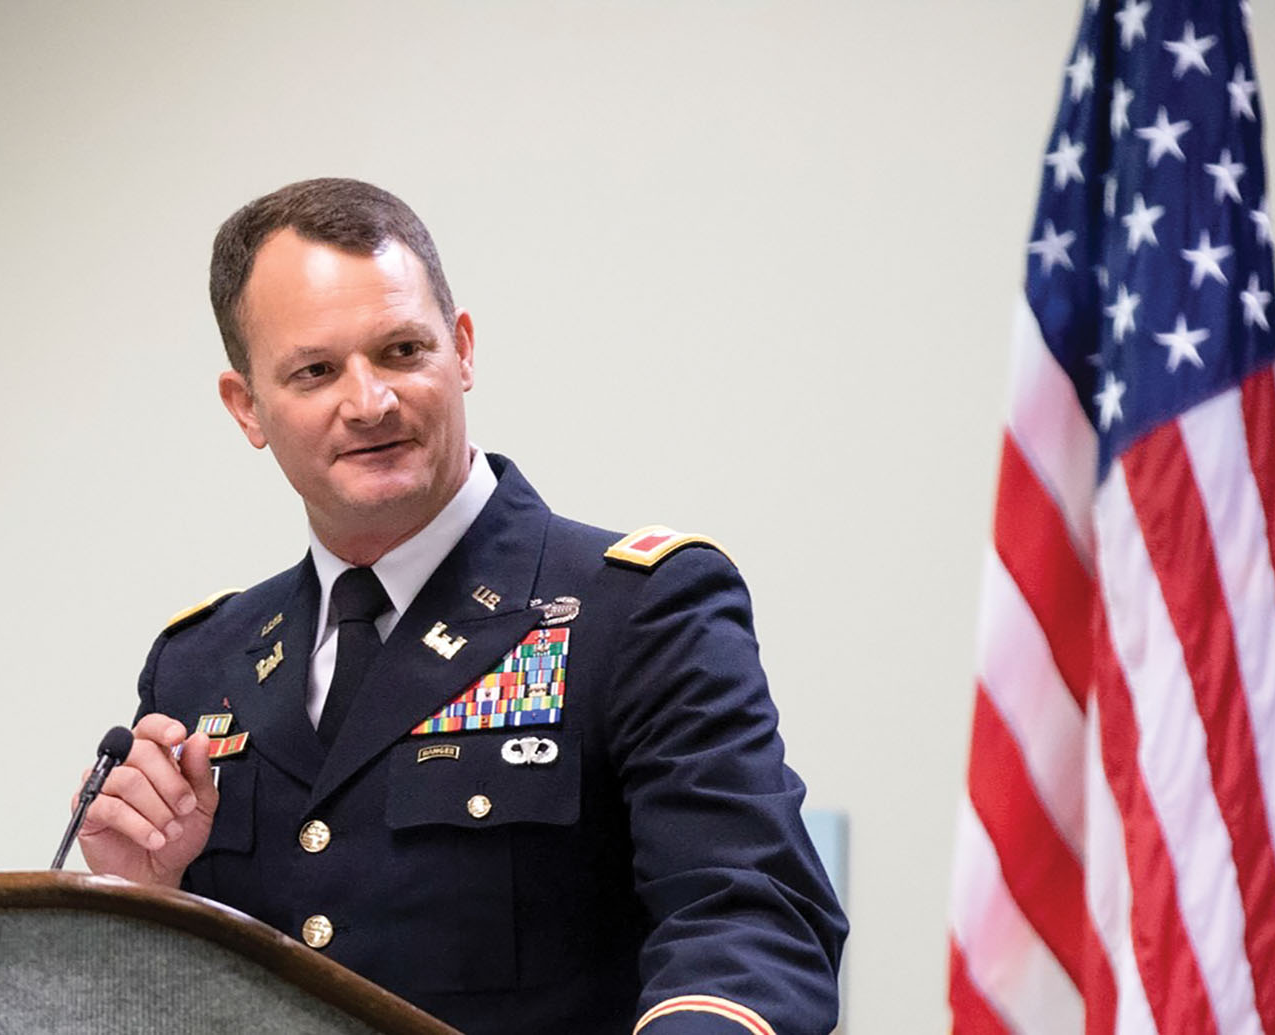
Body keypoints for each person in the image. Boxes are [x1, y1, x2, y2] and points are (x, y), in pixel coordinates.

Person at [75, 178, 846, 1034]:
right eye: (316, 371)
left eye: (403, 350)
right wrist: (143, 903)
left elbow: (750, 920)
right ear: (247, 405)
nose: (369, 402)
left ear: (464, 348)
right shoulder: (199, 663)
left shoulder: (638, 610)